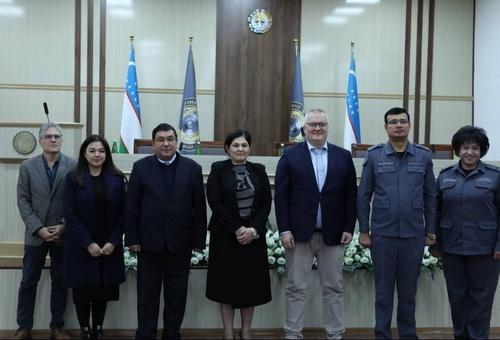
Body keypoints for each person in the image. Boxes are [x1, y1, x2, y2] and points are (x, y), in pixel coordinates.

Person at [274, 109, 357, 339]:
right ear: (304, 129)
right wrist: (284, 229)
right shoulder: (290, 156)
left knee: (334, 289)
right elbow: (281, 197)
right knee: (296, 288)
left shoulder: (343, 156)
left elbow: (351, 195)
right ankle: (292, 334)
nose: (317, 128)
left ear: (328, 127)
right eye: (313, 125)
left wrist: (349, 227)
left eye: (322, 124)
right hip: (298, 236)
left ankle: (335, 334)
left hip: (333, 234)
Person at [357, 107, 437, 339]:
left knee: (408, 293)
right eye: (393, 122)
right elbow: (363, 195)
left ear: (409, 126)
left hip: (413, 236)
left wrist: (430, 229)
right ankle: (382, 335)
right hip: (382, 235)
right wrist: (364, 230)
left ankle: (408, 335)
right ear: (386, 127)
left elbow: (431, 196)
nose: (398, 125)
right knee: (383, 294)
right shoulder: (374, 156)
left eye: (402, 121)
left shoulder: (423, 156)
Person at [125, 123, 207, 340]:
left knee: (177, 296)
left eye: (170, 139)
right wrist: (132, 238)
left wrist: (198, 242)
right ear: (153, 144)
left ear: (176, 141)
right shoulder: (141, 167)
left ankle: (172, 335)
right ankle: (145, 335)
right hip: (148, 243)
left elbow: (199, 208)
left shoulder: (192, 169)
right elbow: (131, 206)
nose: (166, 143)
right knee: (147, 297)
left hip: (180, 244)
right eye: (160, 139)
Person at [431, 126, 500, 339]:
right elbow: (436, 212)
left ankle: (478, 337)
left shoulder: (495, 176)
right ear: (457, 150)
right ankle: (460, 336)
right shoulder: (444, 176)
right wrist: (435, 244)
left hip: (486, 250)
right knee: (457, 297)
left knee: (481, 299)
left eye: (475, 148)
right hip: (453, 248)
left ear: (482, 151)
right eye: (465, 148)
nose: (470, 152)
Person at [205, 129, 272, 340]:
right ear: (227, 148)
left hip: (252, 238)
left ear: (249, 148)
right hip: (225, 236)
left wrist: (253, 230)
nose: (240, 149)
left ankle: (245, 330)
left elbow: (265, 203)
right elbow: (215, 202)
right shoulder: (218, 169)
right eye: (235, 145)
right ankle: (227, 332)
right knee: (226, 286)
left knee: (249, 286)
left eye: (244, 145)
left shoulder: (259, 170)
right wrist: (237, 228)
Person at [15, 122, 76, 340]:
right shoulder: (27, 167)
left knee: (60, 282)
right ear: (40, 141)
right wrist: (38, 228)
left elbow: (77, 202)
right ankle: (24, 327)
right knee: (28, 281)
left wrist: (63, 225)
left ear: (61, 140)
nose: (53, 140)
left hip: (63, 234)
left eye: (57, 137)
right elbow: (23, 200)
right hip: (35, 235)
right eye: (48, 136)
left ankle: (57, 327)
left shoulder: (74, 165)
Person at [63, 135, 127, 340]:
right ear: (84, 153)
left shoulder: (117, 177)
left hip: (108, 244)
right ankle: (84, 329)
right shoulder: (73, 178)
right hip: (81, 244)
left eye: (101, 150)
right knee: (82, 289)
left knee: (102, 289)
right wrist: (87, 243)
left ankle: (98, 328)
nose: (97, 154)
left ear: (106, 153)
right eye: (92, 150)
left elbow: (124, 214)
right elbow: (70, 213)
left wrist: (113, 241)